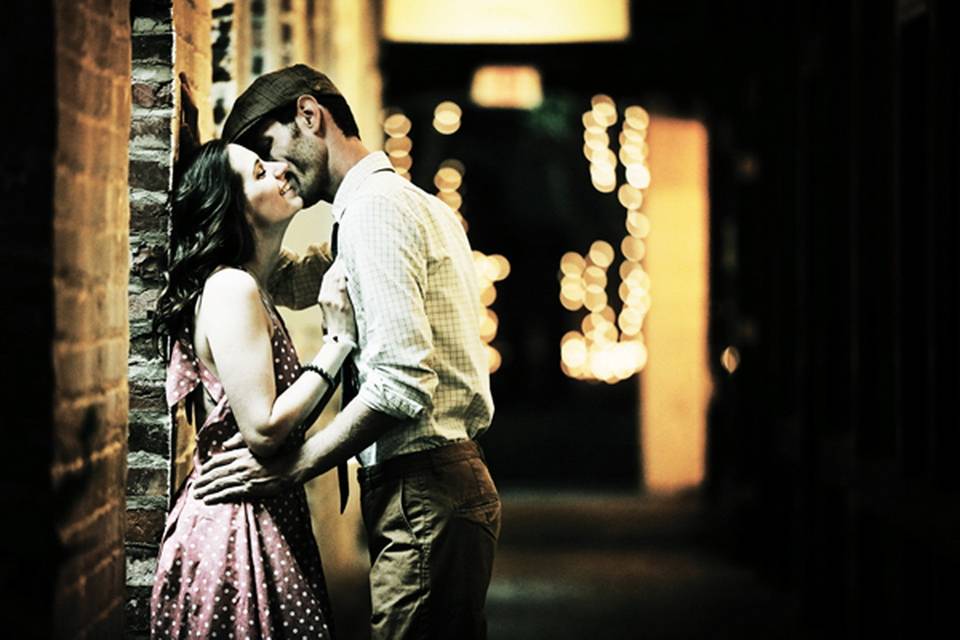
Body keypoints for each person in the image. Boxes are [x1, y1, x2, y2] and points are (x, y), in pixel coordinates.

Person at [193, 64, 502, 639]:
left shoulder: (375, 213)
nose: (279, 170)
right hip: (435, 487)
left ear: (309, 116)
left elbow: (401, 385)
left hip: (424, 487)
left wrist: (293, 467)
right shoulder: (393, 206)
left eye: (269, 148)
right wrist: (237, 214)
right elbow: (283, 282)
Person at [149, 138, 357, 639]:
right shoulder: (230, 288)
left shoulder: (248, 286)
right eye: (261, 172)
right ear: (231, 206)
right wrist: (339, 343)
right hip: (236, 527)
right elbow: (263, 429)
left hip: (258, 510)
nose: (283, 171)